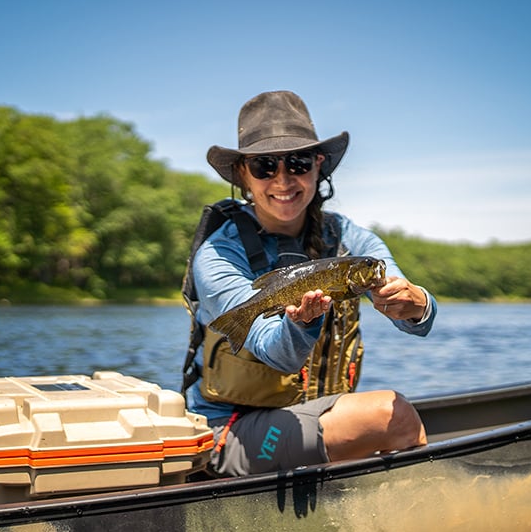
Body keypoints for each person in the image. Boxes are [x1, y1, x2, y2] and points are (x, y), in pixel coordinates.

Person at [184, 90, 436, 477]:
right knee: (393, 414)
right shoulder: (217, 256)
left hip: (312, 414)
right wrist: (302, 322)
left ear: (319, 166)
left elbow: (403, 298)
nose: (283, 179)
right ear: (242, 175)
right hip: (228, 432)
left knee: (382, 422)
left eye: (298, 162)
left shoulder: (350, 239)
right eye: (265, 166)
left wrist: (416, 305)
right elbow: (278, 353)